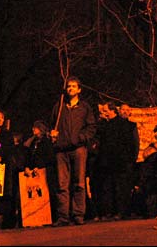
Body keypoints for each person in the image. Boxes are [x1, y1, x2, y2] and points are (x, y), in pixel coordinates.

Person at [49, 76, 96, 226]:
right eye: (69, 86)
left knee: (79, 183)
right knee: (62, 184)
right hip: (61, 150)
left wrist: (81, 138)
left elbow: (92, 127)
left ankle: (78, 214)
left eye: (74, 86)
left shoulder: (85, 108)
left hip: (78, 149)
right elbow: (51, 125)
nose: (71, 89)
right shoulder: (59, 106)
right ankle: (63, 216)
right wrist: (51, 134)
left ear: (79, 90)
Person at [93, 102, 138, 221]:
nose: (104, 113)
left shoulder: (124, 125)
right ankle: (110, 211)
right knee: (109, 187)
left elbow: (131, 144)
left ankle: (120, 211)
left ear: (112, 111)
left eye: (106, 110)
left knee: (120, 187)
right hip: (108, 162)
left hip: (121, 162)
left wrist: (130, 160)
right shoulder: (104, 125)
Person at [23, 120, 57, 222]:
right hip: (34, 172)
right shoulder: (33, 143)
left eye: (35, 128)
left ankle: (51, 217)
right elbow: (29, 156)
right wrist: (27, 167)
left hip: (45, 173)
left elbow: (50, 157)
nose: (33, 129)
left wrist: (40, 166)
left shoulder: (46, 142)